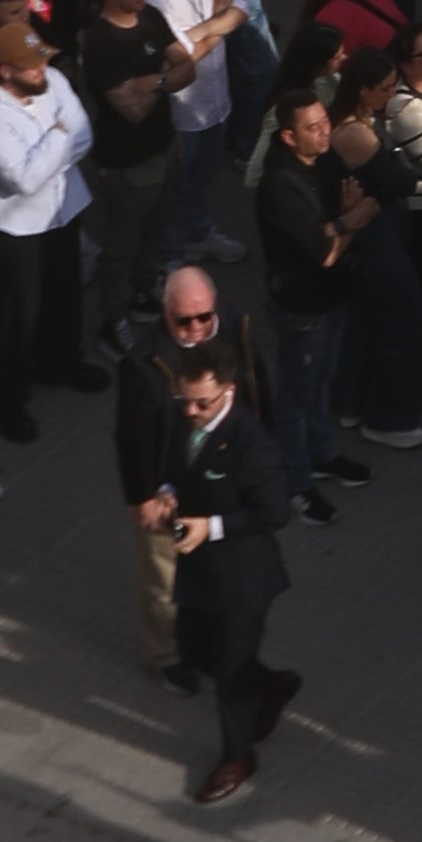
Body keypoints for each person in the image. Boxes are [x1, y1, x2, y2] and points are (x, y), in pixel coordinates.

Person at [155, 335, 302, 802]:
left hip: (241, 579)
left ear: (229, 393)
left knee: (231, 674)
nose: (190, 411)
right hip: (199, 567)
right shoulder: (185, 420)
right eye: (186, 400)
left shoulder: (251, 445)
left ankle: (237, 756)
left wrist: (211, 526)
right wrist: (165, 489)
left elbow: (275, 512)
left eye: (202, 403)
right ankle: (272, 684)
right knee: (194, 650)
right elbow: (172, 460)